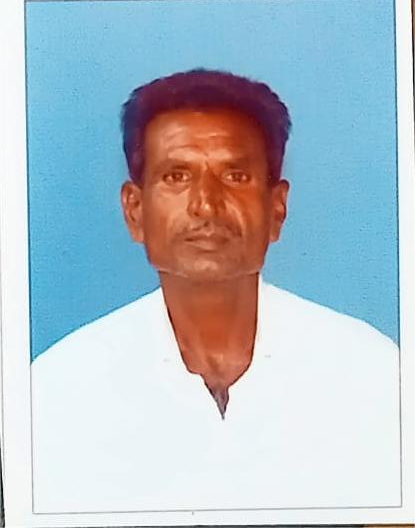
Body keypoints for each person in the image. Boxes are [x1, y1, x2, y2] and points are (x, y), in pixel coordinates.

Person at [31, 69, 400, 513]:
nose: (206, 205)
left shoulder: (374, 376)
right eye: (176, 177)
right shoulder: (58, 393)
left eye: (236, 176)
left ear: (277, 208)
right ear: (135, 210)